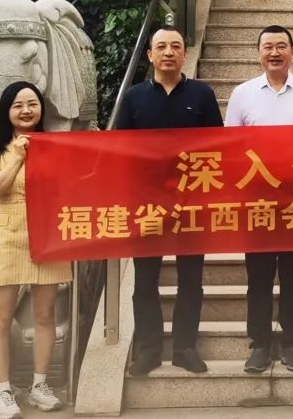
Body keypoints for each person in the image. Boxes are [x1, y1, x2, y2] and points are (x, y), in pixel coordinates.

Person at [117, 27, 224, 377]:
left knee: (190, 279)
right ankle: (149, 350)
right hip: (145, 204)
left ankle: (184, 348)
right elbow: (117, 149)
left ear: (183, 54)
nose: (168, 52)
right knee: (145, 281)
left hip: (191, 203)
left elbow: (218, 147)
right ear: (149, 55)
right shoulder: (133, 97)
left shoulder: (202, 94)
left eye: (176, 46)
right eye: (161, 47)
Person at [225, 25, 293, 374]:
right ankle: (259, 344)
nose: (274, 52)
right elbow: (230, 148)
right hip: (257, 202)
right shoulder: (242, 94)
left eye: (281, 46)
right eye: (268, 46)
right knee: (258, 276)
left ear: (292, 53)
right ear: (258, 53)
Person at [0, 81, 71, 418]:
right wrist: (17, 157)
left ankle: (39, 386)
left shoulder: (55, 146)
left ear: (41, 109)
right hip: (6, 236)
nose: (26, 110)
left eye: (32, 104)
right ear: (7, 111)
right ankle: (2, 392)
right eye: (18, 105)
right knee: (1, 317)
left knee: (45, 315)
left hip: (47, 236)